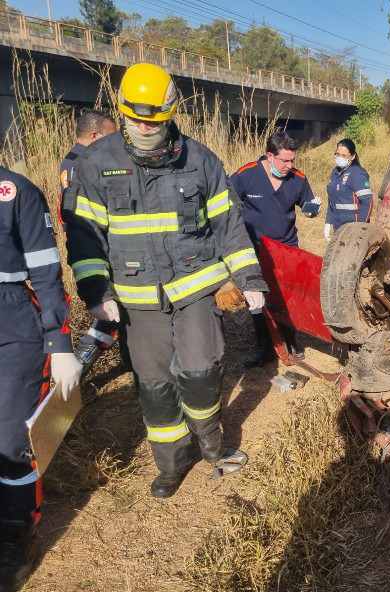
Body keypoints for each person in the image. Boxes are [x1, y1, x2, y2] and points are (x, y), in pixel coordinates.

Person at [61, 63, 268, 499]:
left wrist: (248, 278)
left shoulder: (201, 160)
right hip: (138, 302)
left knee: (201, 372)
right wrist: (97, 292)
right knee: (155, 388)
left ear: (170, 115)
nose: (143, 128)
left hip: (195, 287)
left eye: (152, 122)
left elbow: (229, 226)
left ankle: (213, 448)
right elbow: (84, 237)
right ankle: (172, 465)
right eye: (134, 120)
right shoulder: (98, 164)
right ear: (121, 114)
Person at [0, 168, 83, 592]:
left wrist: (60, 342)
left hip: (11, 320)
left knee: (10, 440)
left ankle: (16, 535)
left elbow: (47, 272)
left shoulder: (16, 193)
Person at [230, 131, 321, 367]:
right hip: (255, 250)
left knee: (288, 299)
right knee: (258, 301)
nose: (290, 166)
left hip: (287, 250)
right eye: (284, 160)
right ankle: (266, 348)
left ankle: (292, 341)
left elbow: (308, 203)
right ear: (270, 155)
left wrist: (312, 208)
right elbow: (226, 201)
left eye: (293, 160)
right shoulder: (246, 174)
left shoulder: (298, 179)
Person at [59, 110, 122, 369]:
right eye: (111, 136)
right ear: (96, 135)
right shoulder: (85, 163)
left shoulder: (72, 159)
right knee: (111, 316)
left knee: (119, 315)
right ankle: (77, 371)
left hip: (93, 242)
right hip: (96, 246)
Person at [323, 138, 373, 241]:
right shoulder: (335, 173)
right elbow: (332, 201)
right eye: (337, 154)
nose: (339, 157)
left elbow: (367, 202)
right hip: (338, 228)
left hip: (353, 230)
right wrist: (328, 222)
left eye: (344, 155)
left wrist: (360, 228)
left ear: (353, 156)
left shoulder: (357, 174)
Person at [59, 109, 117, 192]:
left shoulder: (70, 159)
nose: (115, 141)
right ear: (94, 136)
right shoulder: (93, 163)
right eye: (111, 137)